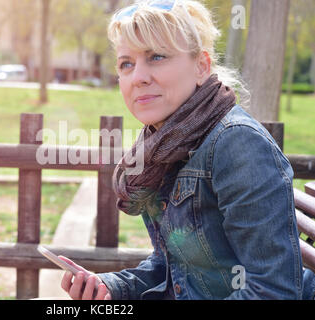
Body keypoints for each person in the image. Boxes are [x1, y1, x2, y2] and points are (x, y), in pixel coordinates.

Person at [59, 0, 315, 300]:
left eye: (156, 56)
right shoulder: (163, 145)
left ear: (201, 67)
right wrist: (111, 288)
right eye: (126, 63)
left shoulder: (236, 144)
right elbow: (175, 267)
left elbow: (274, 291)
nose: (137, 77)